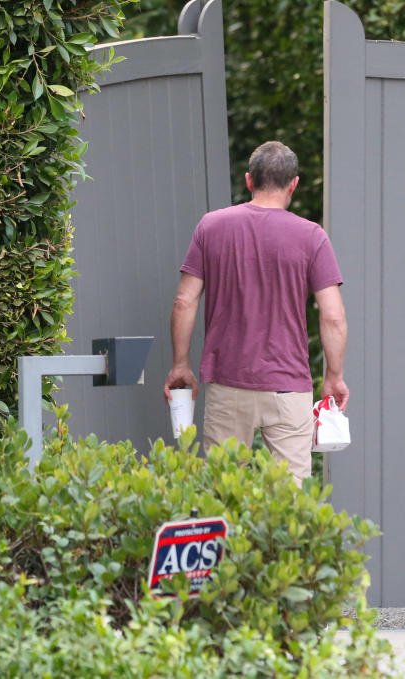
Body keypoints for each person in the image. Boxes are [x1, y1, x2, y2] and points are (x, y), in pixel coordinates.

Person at [163, 141, 348, 484]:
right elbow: (333, 316)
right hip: (289, 388)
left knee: (223, 495)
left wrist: (180, 364)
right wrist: (333, 376)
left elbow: (184, 302)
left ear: (249, 181)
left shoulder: (211, 227)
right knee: (290, 503)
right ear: (294, 184)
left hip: (228, 383)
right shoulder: (312, 237)